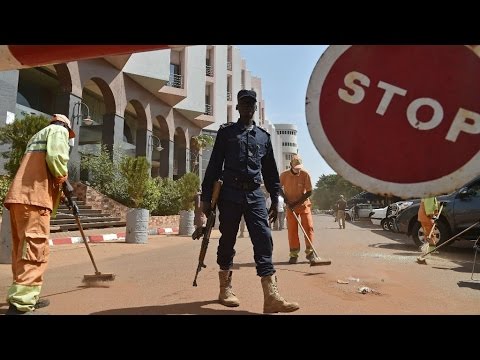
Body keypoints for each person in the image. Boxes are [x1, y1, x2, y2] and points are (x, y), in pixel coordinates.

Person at [201, 89, 299, 313]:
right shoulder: (226, 134)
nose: (247, 107)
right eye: (243, 104)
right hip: (230, 194)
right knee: (228, 239)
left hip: (255, 194)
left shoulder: (263, 137)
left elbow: (271, 173)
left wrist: (275, 198)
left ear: (255, 108)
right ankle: (225, 287)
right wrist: (206, 199)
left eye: (251, 104)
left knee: (264, 239)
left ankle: (271, 296)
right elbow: (214, 165)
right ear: (237, 107)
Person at [4, 114, 75, 315]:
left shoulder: (38, 135)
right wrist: (65, 183)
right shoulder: (58, 130)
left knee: (22, 251)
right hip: (35, 200)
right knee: (35, 251)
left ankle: (22, 297)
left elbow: (41, 166)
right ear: (66, 128)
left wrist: (61, 191)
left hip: (19, 198)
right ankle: (21, 305)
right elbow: (56, 159)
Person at [280, 155, 329, 265]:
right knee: (292, 230)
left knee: (309, 227)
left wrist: (296, 203)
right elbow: (278, 187)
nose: (298, 169)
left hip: (303, 205)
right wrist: (286, 200)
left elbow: (309, 191)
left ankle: (310, 253)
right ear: (291, 165)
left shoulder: (305, 174)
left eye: (299, 167)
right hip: (290, 207)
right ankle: (293, 255)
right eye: (296, 167)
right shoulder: (284, 175)